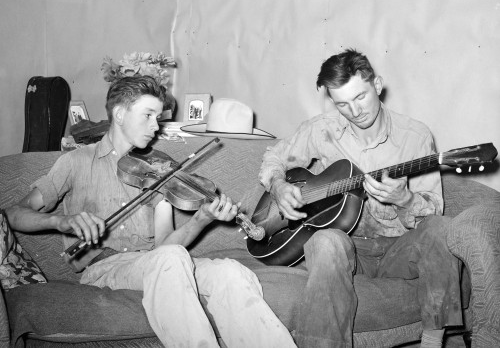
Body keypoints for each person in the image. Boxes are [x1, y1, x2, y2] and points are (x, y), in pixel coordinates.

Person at [5, 75, 296, 348]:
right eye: (148, 115)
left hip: (154, 264)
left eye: (158, 117)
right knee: (169, 260)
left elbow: (165, 247)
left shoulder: (157, 170)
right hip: (105, 268)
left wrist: (201, 219)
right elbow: (15, 214)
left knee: (231, 272)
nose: (156, 126)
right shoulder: (76, 162)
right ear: (119, 114)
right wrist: (62, 221)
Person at [258, 49, 463, 348]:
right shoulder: (321, 129)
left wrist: (405, 199)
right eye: (342, 104)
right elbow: (273, 157)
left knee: (440, 229)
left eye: (361, 98)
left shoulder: (415, 135)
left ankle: (434, 342)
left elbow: (434, 208)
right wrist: (277, 185)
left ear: (377, 85)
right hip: (348, 247)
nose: (355, 111)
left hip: (398, 250)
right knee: (324, 241)